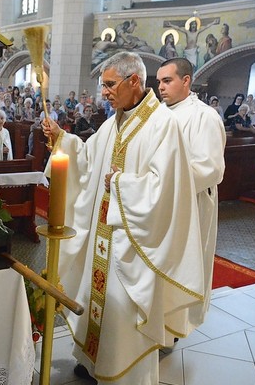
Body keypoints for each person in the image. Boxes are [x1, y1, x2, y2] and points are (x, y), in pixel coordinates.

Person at [42, 51, 203, 385]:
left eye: (110, 84)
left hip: (132, 246)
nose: (104, 92)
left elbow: (165, 191)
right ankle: (92, 360)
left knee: (124, 314)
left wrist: (119, 183)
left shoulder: (163, 126)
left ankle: (125, 376)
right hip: (103, 240)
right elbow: (88, 160)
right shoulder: (114, 120)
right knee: (98, 304)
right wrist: (62, 138)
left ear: (134, 81)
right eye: (103, 85)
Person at [156, 57, 226, 331]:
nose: (161, 87)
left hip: (189, 206)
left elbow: (210, 168)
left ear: (186, 81)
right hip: (157, 203)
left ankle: (174, 328)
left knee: (179, 268)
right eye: (159, 81)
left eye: (167, 80)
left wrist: (163, 181)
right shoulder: (157, 114)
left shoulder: (203, 116)